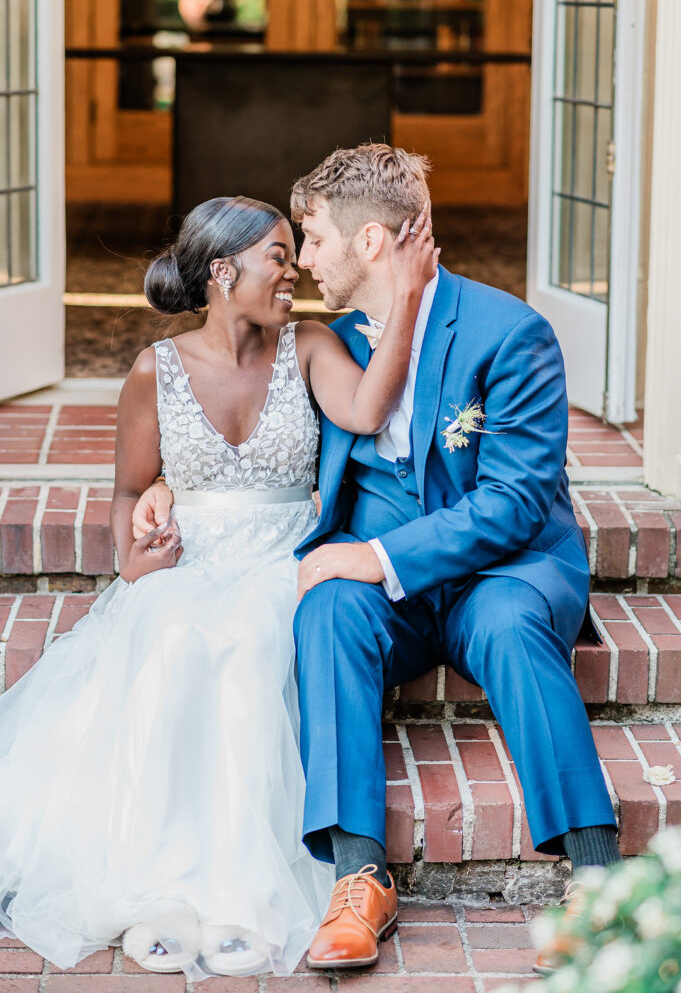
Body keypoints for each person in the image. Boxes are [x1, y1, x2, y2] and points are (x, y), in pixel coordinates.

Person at [136, 146, 621, 976]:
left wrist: (380, 555)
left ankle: (599, 879)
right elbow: (252, 435)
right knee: (323, 608)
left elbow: (509, 504)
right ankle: (357, 877)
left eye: (314, 239)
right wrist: (170, 487)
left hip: (501, 569)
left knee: (507, 625)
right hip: (384, 589)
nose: (304, 260)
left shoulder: (509, 334)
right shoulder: (325, 343)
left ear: (368, 244)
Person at [0, 194, 438, 980]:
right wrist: (136, 561)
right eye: (277, 255)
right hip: (188, 562)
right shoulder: (154, 370)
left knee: (253, 644)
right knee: (168, 638)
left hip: (282, 556)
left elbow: (369, 410)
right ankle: (163, 889)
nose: (292, 271)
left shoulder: (307, 346)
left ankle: (240, 899)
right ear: (222, 270)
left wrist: (405, 294)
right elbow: (129, 493)